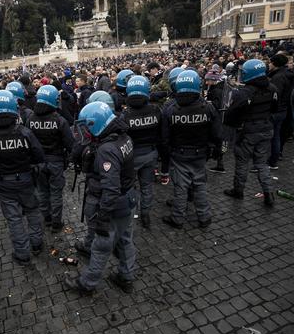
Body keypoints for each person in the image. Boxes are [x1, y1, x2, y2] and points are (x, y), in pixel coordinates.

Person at [64, 102, 137, 295]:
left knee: (101, 245)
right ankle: (126, 276)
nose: (85, 131)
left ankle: (87, 284)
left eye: (87, 126)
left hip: (113, 205)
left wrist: (103, 217)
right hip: (127, 201)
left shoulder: (107, 149)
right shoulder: (123, 137)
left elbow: (111, 188)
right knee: (124, 241)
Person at [0, 91, 45, 265]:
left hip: (3, 184)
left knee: (14, 219)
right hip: (26, 181)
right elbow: (39, 155)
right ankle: (37, 244)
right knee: (32, 211)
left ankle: (22, 254)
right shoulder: (24, 132)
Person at [161, 70, 221, 229]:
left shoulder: (170, 109)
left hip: (179, 153)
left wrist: (166, 155)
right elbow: (216, 133)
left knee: (181, 187)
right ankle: (204, 216)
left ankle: (177, 218)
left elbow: (165, 138)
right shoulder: (208, 108)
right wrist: (213, 149)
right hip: (200, 153)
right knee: (200, 185)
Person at [223, 59, 278, 206]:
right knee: (262, 163)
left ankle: (238, 190)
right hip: (266, 128)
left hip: (248, 131)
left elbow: (231, 113)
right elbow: (274, 108)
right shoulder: (272, 88)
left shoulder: (244, 92)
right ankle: (268, 193)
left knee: (242, 163)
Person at [26, 85, 74, 232]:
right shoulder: (59, 120)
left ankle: (46, 218)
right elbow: (70, 143)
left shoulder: (30, 119)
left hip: (38, 162)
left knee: (42, 191)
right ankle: (56, 222)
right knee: (56, 193)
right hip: (56, 161)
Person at [121, 75, 162, 229]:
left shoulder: (125, 115)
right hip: (150, 153)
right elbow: (162, 134)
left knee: (129, 187)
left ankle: (130, 215)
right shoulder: (156, 110)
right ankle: (145, 215)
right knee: (147, 186)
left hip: (131, 156)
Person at [267, 53, 294, 169]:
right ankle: (273, 159)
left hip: (276, 110)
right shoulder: (288, 74)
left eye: (270, 62)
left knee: (272, 136)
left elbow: (274, 95)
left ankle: (271, 161)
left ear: (275, 64)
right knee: (276, 135)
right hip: (283, 109)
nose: (268, 64)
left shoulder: (278, 77)